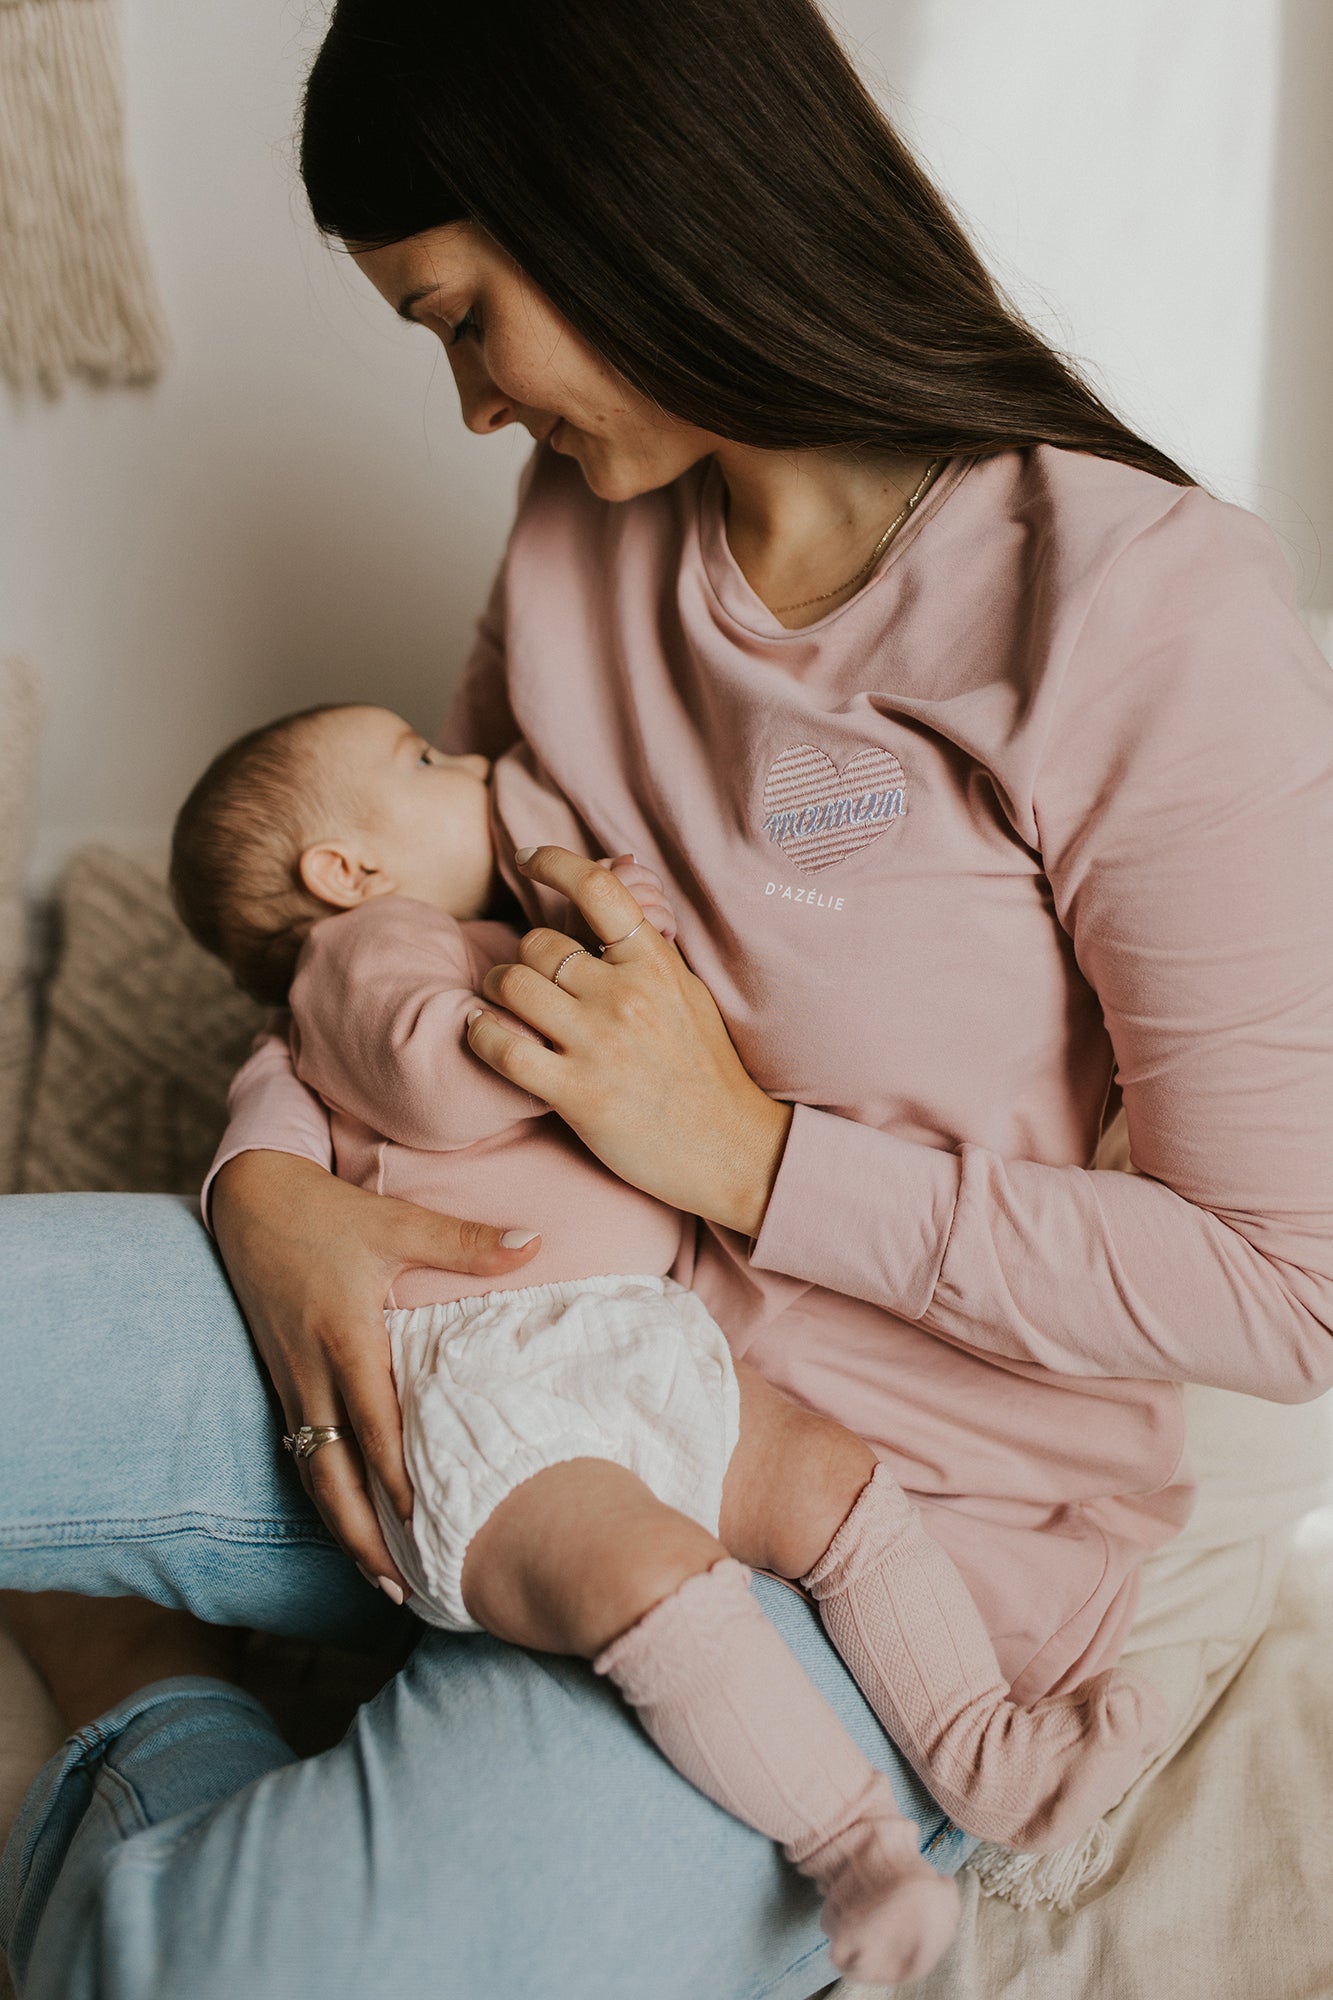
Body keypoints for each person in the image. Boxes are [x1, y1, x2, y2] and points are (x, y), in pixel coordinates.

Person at [2, 0, 1331, 1995]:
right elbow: (395, 942)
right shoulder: (586, 525)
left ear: (624, 209)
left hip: (854, 1528)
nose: (470, 407)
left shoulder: (1138, 612)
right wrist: (262, 1189)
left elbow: (1284, 1289)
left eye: (465, 319)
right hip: (463, 1344)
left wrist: (753, 1157)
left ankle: (128, 1674)